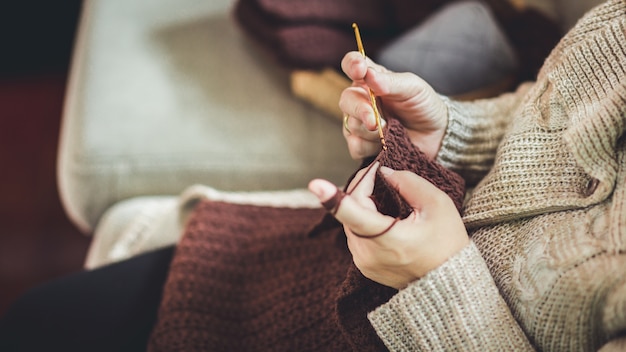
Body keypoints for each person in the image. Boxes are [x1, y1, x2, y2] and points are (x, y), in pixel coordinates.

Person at [1, 0, 625, 351]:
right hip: (313, 272)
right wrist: (449, 131)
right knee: (35, 323)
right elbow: (548, 110)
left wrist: (436, 280)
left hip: (422, 327)